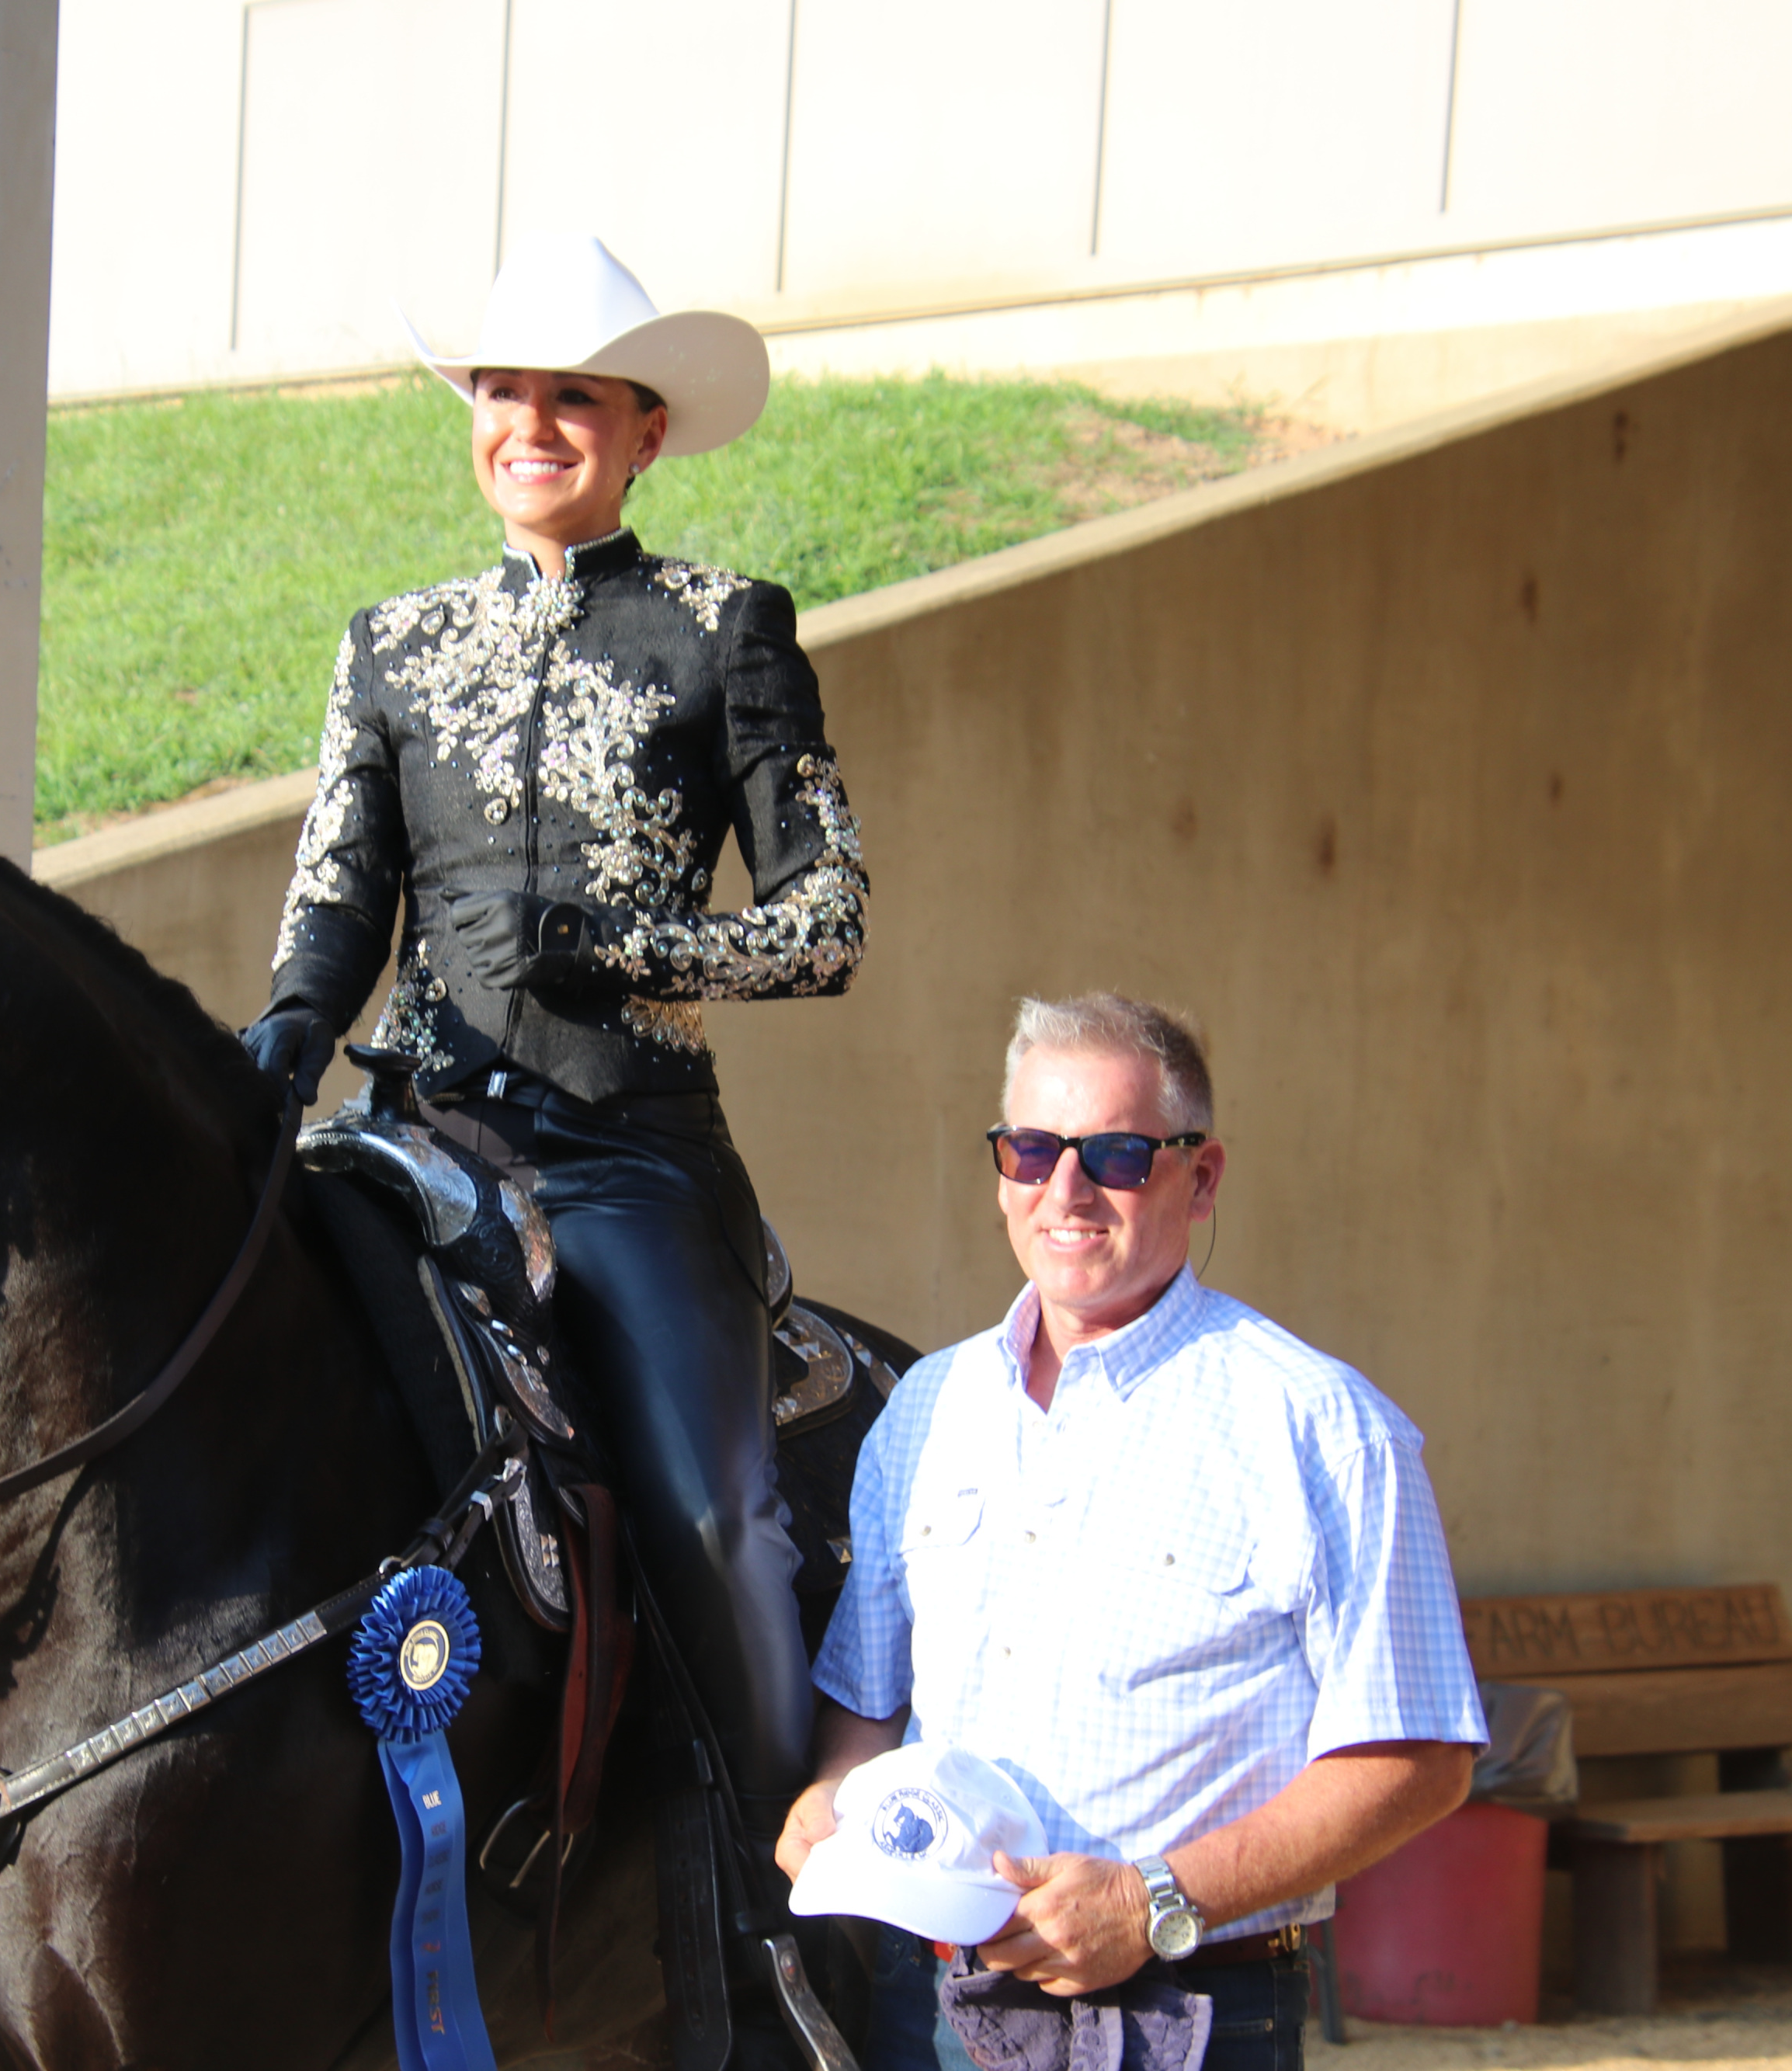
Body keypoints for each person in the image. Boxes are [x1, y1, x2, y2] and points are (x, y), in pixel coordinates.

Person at [239, 235, 868, 1879]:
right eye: (502, 391)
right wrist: (287, 1028)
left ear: (646, 430)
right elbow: (336, 901)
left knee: (712, 1509)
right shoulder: (389, 644)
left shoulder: (724, 628)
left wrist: (620, 947)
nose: (530, 424)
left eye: (573, 398)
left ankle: (781, 1888)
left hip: (624, 1153)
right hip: (410, 1132)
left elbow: (827, 921)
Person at [781, 994, 1485, 2071]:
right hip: (931, 2011)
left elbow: (1420, 1758)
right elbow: (867, 1703)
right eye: (1031, 1150)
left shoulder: (1321, 1428)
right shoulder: (926, 1409)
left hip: (1187, 2016)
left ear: (1200, 1179)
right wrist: (836, 1793)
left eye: (1115, 1154)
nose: (1066, 1191)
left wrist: (1152, 1900)